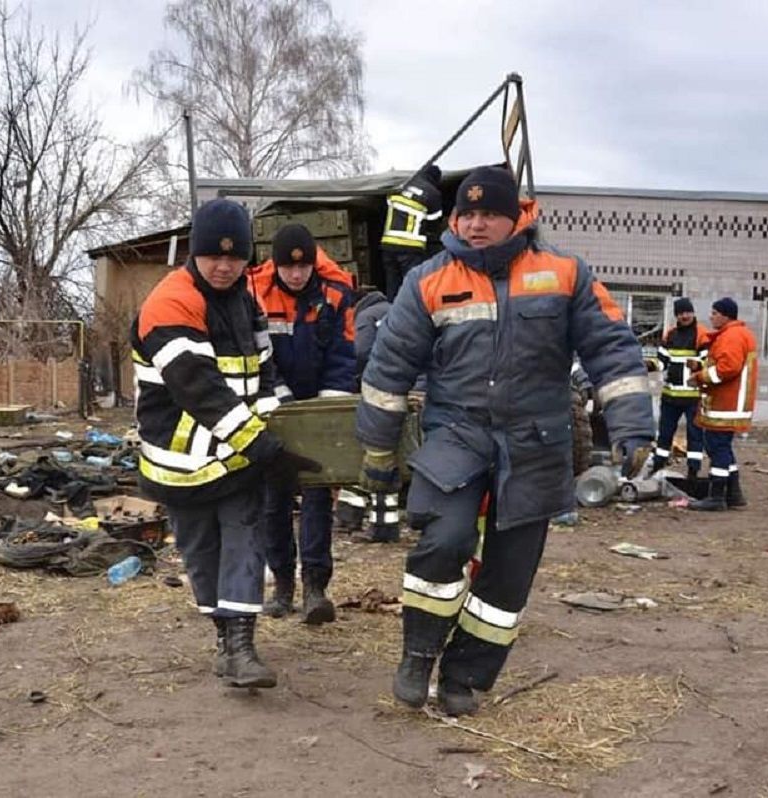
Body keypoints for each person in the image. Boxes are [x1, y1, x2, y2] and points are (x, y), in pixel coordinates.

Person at [356, 166, 654, 716]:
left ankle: (464, 676)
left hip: (536, 442)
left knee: (509, 575)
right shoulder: (428, 280)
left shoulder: (564, 273)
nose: (476, 225)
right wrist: (377, 450)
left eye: (489, 214)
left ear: (516, 218)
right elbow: (388, 368)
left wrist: (632, 426)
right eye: (466, 214)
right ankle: (418, 655)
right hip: (456, 434)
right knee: (443, 541)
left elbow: (612, 347)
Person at [132, 198, 319, 689]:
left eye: (235, 257)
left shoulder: (245, 300)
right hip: (182, 462)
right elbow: (199, 389)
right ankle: (223, 640)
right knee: (202, 553)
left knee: (245, 540)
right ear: (194, 253)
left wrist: (284, 426)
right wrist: (265, 449)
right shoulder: (168, 303)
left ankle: (241, 648)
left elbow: (263, 372)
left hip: (235, 456)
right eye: (214, 255)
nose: (224, 266)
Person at [248, 224, 357, 623]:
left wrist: (325, 414)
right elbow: (257, 357)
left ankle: (315, 586)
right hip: (274, 409)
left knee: (317, 498)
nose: (296, 275)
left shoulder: (335, 295)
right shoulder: (256, 294)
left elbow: (344, 355)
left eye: (303, 267)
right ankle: (282, 585)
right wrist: (282, 405)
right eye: (288, 268)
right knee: (273, 500)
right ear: (275, 265)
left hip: (318, 408)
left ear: (313, 264)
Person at [335, 288, 401, 542]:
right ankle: (380, 523)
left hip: (380, 392)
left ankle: (350, 516)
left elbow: (361, 351)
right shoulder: (397, 310)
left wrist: (355, 378)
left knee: (369, 451)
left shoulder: (365, 316)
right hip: (410, 390)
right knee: (389, 456)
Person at [687, 297, 758, 512]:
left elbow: (727, 368)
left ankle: (717, 496)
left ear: (726, 315)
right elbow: (723, 364)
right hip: (731, 403)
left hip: (726, 404)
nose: (711, 317)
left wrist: (700, 377)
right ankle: (733, 493)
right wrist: (701, 366)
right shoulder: (738, 334)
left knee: (717, 446)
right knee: (723, 447)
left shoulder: (732, 336)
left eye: (715, 313)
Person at [649, 298, 711, 488]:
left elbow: (708, 362)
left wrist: (698, 365)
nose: (685, 316)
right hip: (670, 396)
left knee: (695, 435)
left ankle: (693, 471)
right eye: (681, 313)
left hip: (693, 397)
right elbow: (662, 361)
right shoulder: (670, 335)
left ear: (693, 313)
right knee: (664, 434)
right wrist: (649, 365)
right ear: (676, 315)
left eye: (687, 312)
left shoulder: (701, 334)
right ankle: (658, 465)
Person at [380, 164, 444, 300]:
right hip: (410, 247)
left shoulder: (401, 184)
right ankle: (409, 311)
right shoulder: (432, 193)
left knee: (392, 284)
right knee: (412, 287)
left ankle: (391, 310)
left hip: (388, 244)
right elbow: (435, 222)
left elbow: (388, 202)